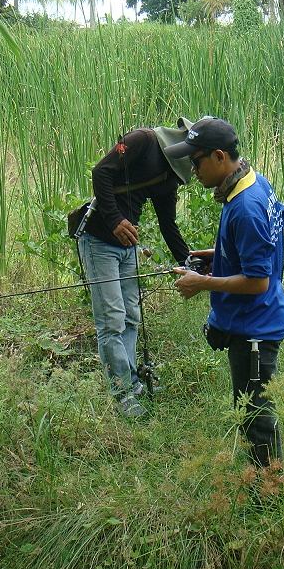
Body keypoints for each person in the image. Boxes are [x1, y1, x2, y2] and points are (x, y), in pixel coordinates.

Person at [168, 117, 284, 467]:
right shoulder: (253, 183)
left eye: (196, 161)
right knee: (250, 407)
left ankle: (267, 498)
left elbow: (258, 281)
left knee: (256, 417)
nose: (193, 171)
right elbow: (260, 248)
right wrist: (216, 254)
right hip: (255, 319)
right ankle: (261, 482)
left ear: (220, 156)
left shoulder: (244, 207)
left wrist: (202, 282)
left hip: (255, 329)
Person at [69, 119, 195, 419]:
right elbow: (101, 171)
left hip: (128, 246)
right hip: (98, 239)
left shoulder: (169, 178)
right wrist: (114, 220)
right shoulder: (141, 141)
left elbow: (168, 224)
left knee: (131, 316)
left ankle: (132, 383)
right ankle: (122, 393)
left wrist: (189, 262)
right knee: (111, 319)